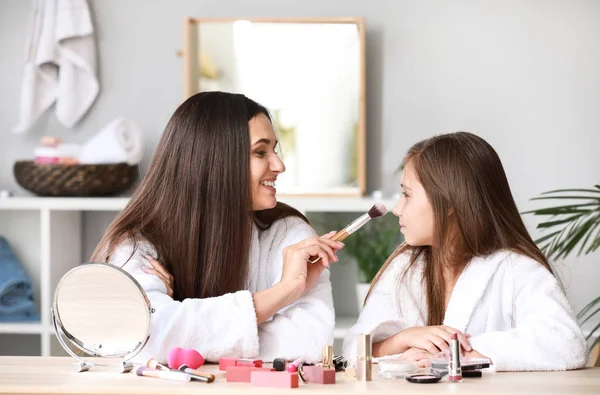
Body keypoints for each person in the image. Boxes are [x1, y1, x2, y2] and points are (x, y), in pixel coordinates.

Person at [92, 91, 341, 363]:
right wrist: (283, 292)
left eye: (274, 150)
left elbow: (310, 341)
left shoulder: (290, 234)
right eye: (260, 152)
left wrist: (181, 327)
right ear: (215, 161)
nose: (279, 165)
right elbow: (141, 334)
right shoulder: (137, 244)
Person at [343, 132, 588, 371]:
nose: (396, 209)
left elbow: (566, 344)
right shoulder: (405, 267)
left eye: (407, 194)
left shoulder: (516, 269)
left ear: (448, 201)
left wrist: (458, 352)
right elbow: (356, 349)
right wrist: (403, 339)